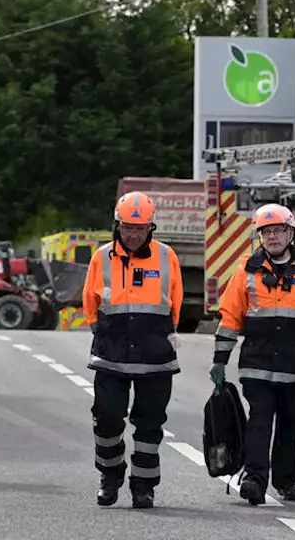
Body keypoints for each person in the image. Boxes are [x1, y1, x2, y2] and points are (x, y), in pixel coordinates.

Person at [211, 203, 295, 505]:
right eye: (266, 232)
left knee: (290, 425)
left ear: (291, 233)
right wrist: (220, 360)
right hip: (257, 365)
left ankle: (286, 482)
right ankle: (255, 480)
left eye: (278, 230)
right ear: (259, 237)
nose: (272, 237)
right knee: (259, 421)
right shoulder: (246, 270)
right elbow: (230, 317)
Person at [82, 191, 183, 509]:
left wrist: (160, 333)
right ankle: (110, 476)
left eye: (140, 228)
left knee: (150, 424)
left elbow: (175, 302)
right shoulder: (101, 257)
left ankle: (143, 486)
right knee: (107, 419)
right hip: (111, 352)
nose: (134, 234)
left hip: (155, 355)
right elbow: (90, 300)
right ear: (118, 225)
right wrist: (101, 330)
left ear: (151, 228)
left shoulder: (167, 257)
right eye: (128, 227)